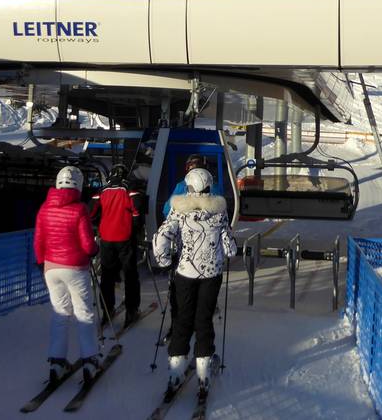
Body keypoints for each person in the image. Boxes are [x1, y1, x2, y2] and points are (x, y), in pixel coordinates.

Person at [153, 167, 237, 401]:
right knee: (204, 320)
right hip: (211, 275)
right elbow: (230, 248)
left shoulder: (179, 210)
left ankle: (175, 373)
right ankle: (203, 375)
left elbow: (161, 237)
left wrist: (164, 260)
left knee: (182, 320)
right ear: (209, 186)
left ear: (188, 187)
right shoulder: (219, 211)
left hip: (185, 274)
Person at [34, 166, 101, 384]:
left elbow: (38, 240)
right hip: (75, 268)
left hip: (51, 268)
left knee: (60, 314)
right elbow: (87, 244)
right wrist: (94, 250)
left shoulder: (45, 208)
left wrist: (41, 262)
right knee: (83, 313)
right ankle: (90, 360)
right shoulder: (79, 209)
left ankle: (57, 361)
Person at [91, 164, 142, 328]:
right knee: (130, 274)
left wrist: (99, 223)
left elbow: (91, 212)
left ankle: (107, 310)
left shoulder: (102, 190)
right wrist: (135, 229)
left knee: (107, 275)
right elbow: (137, 210)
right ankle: (131, 310)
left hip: (106, 238)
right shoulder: (128, 188)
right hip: (125, 237)